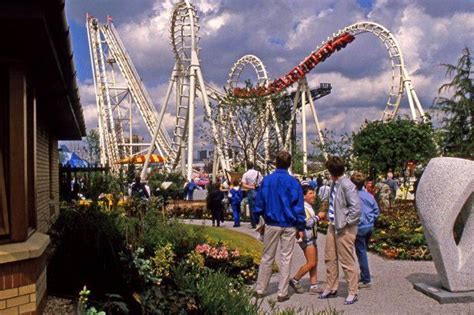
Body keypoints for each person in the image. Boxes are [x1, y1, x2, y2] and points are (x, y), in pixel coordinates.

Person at [254, 151, 306, 303]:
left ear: (275, 163)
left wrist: (257, 218)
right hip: (289, 224)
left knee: (267, 257)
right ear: (289, 164)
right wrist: (300, 226)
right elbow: (298, 207)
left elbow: (260, 201)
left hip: (272, 222)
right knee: (286, 258)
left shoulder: (267, 180)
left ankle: (260, 289)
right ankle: (282, 292)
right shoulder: (294, 182)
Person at [319, 156, 360, 305]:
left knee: (347, 260)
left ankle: (353, 291)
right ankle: (331, 286)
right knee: (330, 257)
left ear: (332, 171)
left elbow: (355, 208)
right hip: (333, 224)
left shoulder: (347, 185)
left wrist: (346, 222)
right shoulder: (334, 183)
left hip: (344, 228)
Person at [289, 185, 326, 295]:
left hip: (312, 237)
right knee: (311, 262)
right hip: (307, 238)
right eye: (310, 193)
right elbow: (305, 223)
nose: (313, 195)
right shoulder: (303, 208)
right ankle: (295, 279)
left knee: (314, 262)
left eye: (313, 193)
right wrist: (318, 217)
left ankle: (314, 285)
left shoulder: (309, 206)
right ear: (303, 196)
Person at [351, 172, 380, 289]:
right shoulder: (369, 196)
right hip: (369, 226)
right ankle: (364, 274)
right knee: (363, 250)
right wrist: (371, 219)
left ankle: (366, 279)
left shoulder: (352, 197)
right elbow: (376, 211)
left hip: (359, 227)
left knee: (361, 252)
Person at [241, 162, 262, 229]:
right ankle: (259, 222)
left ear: (247, 166)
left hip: (250, 191)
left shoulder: (245, 174)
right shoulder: (258, 173)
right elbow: (261, 182)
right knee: (258, 207)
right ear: (253, 166)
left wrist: (250, 186)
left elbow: (243, 185)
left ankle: (253, 224)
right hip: (258, 191)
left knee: (252, 208)